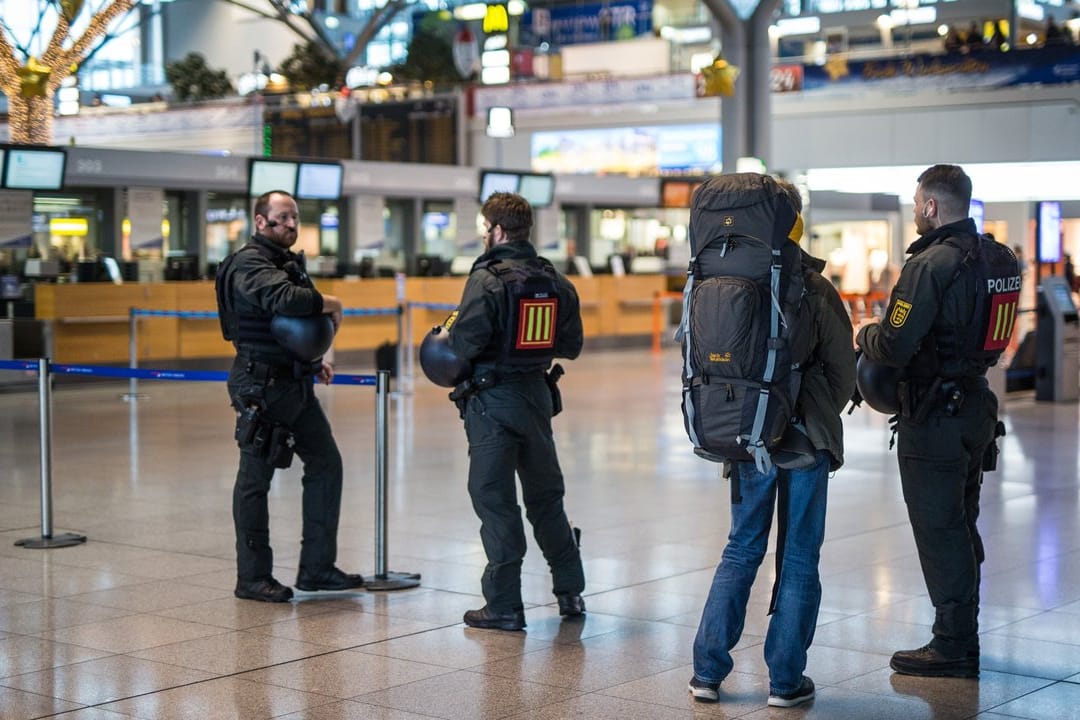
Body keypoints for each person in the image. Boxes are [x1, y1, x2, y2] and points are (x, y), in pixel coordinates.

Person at [689, 180, 856, 708]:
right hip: (806, 441)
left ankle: (707, 673)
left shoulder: (715, 275)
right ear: (794, 223)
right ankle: (785, 681)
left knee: (741, 548)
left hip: (747, 429)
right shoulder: (811, 286)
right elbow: (845, 373)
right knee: (801, 554)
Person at [857, 164, 1016, 677]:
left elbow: (894, 343)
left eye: (915, 201)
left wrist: (864, 335)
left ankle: (951, 642)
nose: (913, 210)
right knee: (961, 522)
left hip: (933, 417)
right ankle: (962, 632)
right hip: (976, 405)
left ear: (930, 206)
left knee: (940, 529)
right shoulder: (998, 258)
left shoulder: (930, 265)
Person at [446, 191, 586, 631]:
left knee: (495, 499)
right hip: (537, 397)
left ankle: (504, 603)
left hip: (492, 401)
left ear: (497, 230)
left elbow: (462, 346)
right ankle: (570, 590)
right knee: (546, 498)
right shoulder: (554, 279)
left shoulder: (487, 280)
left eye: (484, 229)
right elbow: (571, 346)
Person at [215, 189, 363, 602]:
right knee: (255, 480)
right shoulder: (249, 263)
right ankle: (252, 577)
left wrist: (312, 363)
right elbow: (286, 301)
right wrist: (332, 301)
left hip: (292, 382)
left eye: (296, 218)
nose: (292, 225)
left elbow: (286, 325)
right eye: (282, 218)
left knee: (326, 463)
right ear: (260, 222)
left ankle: (316, 568)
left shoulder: (283, 261)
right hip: (260, 386)